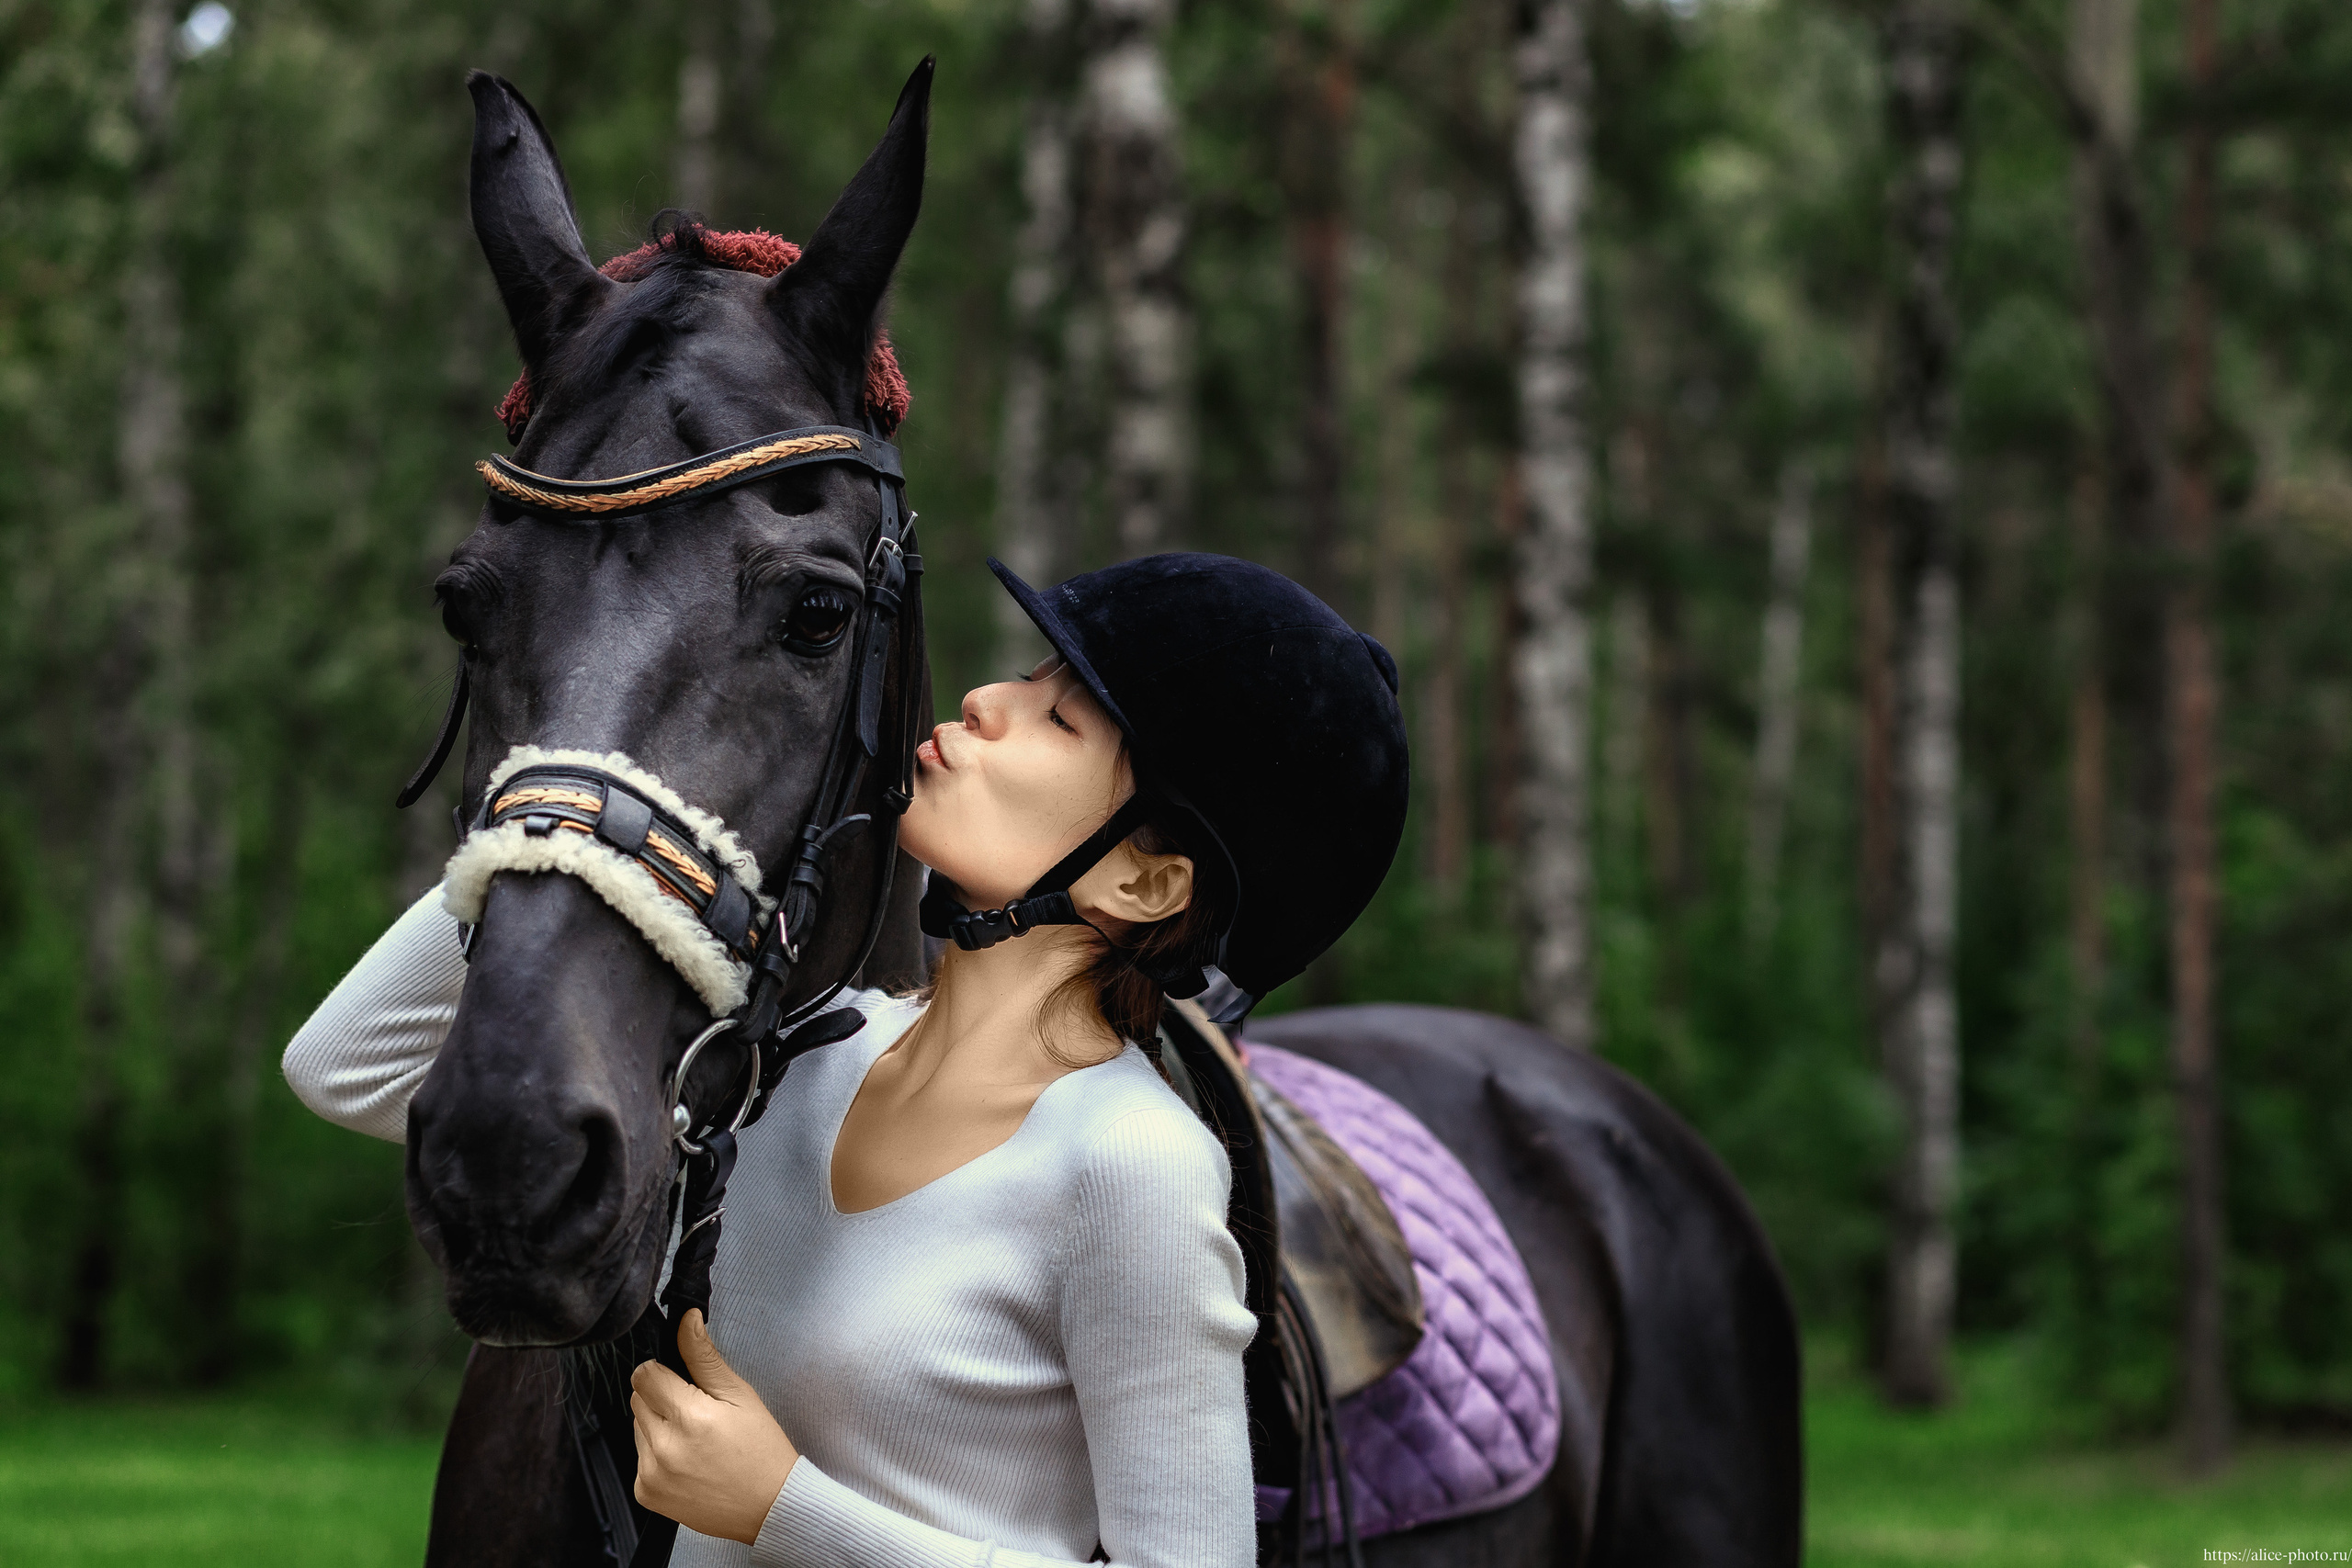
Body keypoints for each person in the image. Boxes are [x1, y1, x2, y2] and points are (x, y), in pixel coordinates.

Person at [283, 552, 1408, 1568]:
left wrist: (785, 1508)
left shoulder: (1131, 1165)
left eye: (1059, 720)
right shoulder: (797, 1060)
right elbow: (348, 1066)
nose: (986, 700)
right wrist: (576, 798)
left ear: (1143, 882)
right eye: (1025, 676)